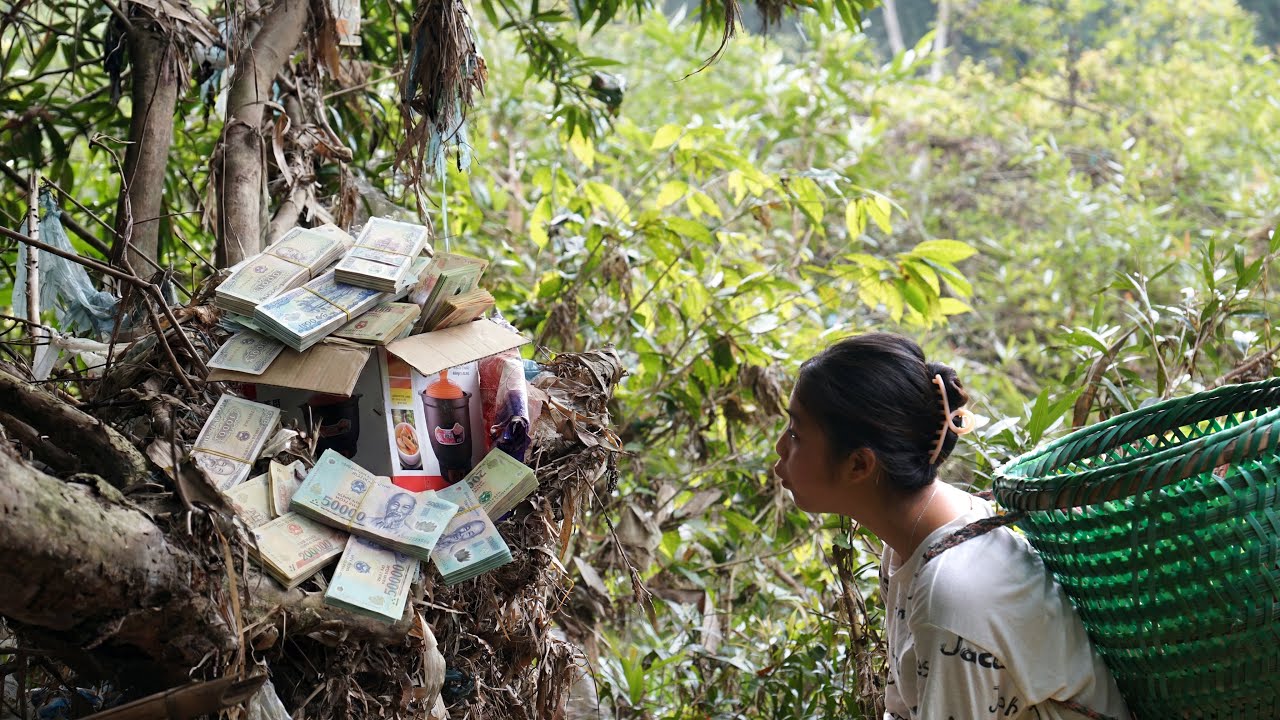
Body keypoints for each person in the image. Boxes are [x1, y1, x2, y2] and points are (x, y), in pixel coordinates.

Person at [773, 333, 1130, 720]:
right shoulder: (911, 543)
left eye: (795, 433)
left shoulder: (951, 595)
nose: (780, 447)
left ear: (859, 465)